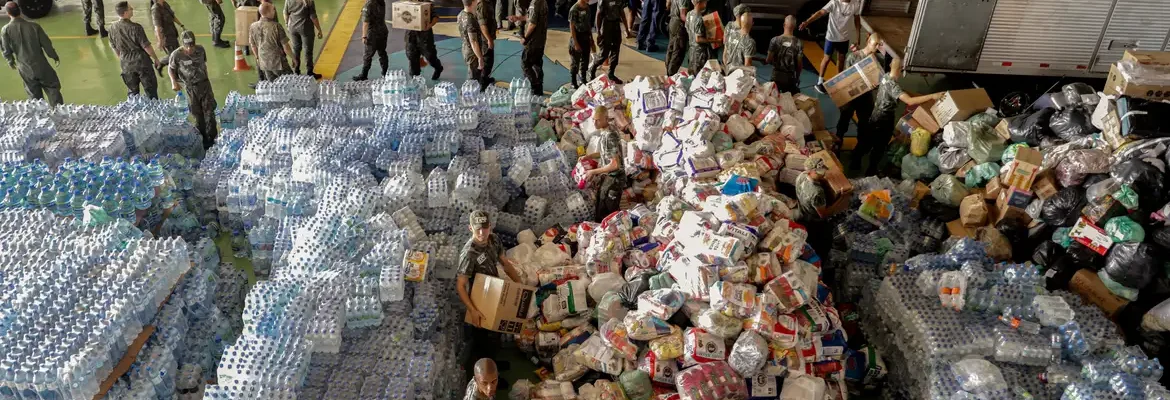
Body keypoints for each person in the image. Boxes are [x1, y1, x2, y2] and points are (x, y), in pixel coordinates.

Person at [852, 58, 941, 175]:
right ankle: (871, 170)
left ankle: (854, 162)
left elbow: (897, 91)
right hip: (884, 119)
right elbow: (909, 101)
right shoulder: (894, 86)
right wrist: (932, 96)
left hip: (875, 115)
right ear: (901, 69)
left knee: (866, 140)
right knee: (880, 146)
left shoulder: (885, 77)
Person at [2, 2, 63, 106]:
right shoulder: (34, 26)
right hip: (41, 65)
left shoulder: (5, 30)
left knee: (34, 95)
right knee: (52, 88)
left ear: (8, 13)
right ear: (20, 11)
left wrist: (10, 61)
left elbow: (6, 50)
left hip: (24, 68)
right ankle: (59, 113)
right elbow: (47, 45)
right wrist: (54, 56)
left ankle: (41, 116)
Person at [168, 31, 218, 149]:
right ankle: (203, 140)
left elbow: (203, 63)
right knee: (197, 115)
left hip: (205, 85)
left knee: (209, 112)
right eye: (187, 46)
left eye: (192, 45)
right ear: (182, 44)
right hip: (191, 88)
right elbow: (171, 69)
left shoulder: (200, 50)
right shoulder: (176, 55)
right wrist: (173, 82)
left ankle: (213, 138)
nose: (190, 48)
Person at [798, 0, 861, 94]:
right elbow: (820, 12)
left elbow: (857, 20)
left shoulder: (855, 4)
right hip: (831, 37)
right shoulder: (834, 3)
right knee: (826, 59)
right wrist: (807, 22)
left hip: (844, 38)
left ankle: (839, 80)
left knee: (841, 59)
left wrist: (858, 37)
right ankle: (819, 82)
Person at [109, 2, 161, 99]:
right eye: (130, 9)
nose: (132, 9)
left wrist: (123, 58)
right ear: (125, 13)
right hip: (142, 63)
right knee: (151, 92)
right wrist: (156, 59)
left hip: (126, 64)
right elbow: (146, 46)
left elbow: (114, 48)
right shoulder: (136, 27)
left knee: (132, 93)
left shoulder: (112, 28)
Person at [836, 33, 883, 141]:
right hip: (851, 95)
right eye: (875, 44)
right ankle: (838, 142)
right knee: (844, 120)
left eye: (879, 45)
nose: (877, 47)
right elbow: (845, 78)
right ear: (868, 41)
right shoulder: (853, 57)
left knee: (865, 124)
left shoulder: (878, 60)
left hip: (866, 97)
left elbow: (879, 80)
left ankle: (859, 149)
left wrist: (876, 85)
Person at [582, 106, 625, 221]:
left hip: (615, 178)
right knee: (600, 204)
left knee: (607, 213)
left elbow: (614, 164)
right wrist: (588, 156)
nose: (595, 123)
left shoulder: (610, 135)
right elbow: (604, 152)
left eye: (598, 120)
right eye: (594, 120)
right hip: (609, 176)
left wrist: (593, 171)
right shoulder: (605, 131)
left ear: (606, 118)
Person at [507, 0, 547, 95]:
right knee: (537, 63)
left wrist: (525, 37)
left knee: (525, 63)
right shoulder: (542, 2)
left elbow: (532, 24)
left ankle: (533, 86)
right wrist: (518, 18)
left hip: (533, 40)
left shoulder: (535, 3)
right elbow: (531, 17)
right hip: (541, 39)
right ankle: (539, 88)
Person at [250, 2, 294, 81]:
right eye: (273, 10)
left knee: (273, 87)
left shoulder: (253, 26)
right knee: (290, 82)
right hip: (278, 63)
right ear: (268, 12)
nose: (274, 11)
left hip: (264, 63)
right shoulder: (276, 26)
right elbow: (286, 47)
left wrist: (257, 58)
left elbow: (253, 46)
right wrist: (294, 58)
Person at [589, 0, 627, 83]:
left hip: (616, 25)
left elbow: (622, 13)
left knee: (615, 52)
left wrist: (626, 29)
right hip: (606, 25)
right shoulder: (603, 1)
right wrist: (598, 32)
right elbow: (598, 15)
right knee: (604, 54)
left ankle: (611, 73)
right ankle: (593, 69)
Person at [405, 0, 444, 80]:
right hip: (411, 36)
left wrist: (430, 25)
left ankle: (438, 68)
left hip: (425, 36)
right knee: (412, 57)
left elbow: (435, 17)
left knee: (430, 57)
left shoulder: (428, 4)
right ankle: (416, 79)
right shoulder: (408, 4)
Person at [285, 0, 323, 79]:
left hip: (293, 28)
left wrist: (287, 24)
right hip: (306, 28)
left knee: (296, 49)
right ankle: (309, 72)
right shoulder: (309, 1)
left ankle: (296, 71)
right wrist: (319, 29)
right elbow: (313, 17)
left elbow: (286, 13)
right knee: (308, 50)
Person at [766, 15, 803, 94]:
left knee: (774, 101)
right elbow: (799, 65)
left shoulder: (774, 40)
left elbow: (768, 60)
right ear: (794, 26)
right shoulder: (798, 43)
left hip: (776, 77)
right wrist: (797, 78)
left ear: (784, 25)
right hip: (790, 78)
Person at [459, 0, 490, 90]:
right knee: (473, 77)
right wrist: (480, 57)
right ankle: (470, 96)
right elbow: (473, 41)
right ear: (472, 2)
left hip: (465, 48)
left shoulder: (461, 14)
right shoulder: (470, 19)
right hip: (473, 52)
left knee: (474, 74)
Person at [354, 0, 388, 81]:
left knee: (367, 56)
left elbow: (366, 23)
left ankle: (364, 74)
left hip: (373, 34)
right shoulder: (381, 2)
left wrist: (364, 36)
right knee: (382, 53)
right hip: (383, 31)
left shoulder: (368, 5)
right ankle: (385, 73)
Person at [151, 0, 184, 76]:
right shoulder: (155, 9)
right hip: (166, 37)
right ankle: (174, 74)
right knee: (174, 55)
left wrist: (181, 25)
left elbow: (172, 16)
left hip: (172, 33)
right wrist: (160, 40)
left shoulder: (165, 4)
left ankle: (161, 64)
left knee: (175, 54)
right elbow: (157, 27)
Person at [567, 0, 592, 87]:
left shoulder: (587, 7)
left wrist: (591, 40)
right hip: (577, 37)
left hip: (586, 36)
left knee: (585, 60)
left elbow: (588, 24)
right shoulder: (574, 9)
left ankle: (583, 79)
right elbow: (572, 27)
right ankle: (573, 82)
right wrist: (575, 43)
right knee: (575, 61)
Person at [684, 0, 713, 74]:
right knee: (699, 76)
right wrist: (712, 40)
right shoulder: (699, 18)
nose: (706, 3)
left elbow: (688, 30)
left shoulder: (689, 14)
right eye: (705, 1)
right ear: (699, 2)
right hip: (700, 53)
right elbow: (698, 39)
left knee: (691, 74)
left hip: (691, 50)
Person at [474, 0, 497, 83]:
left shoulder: (488, 2)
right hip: (484, 39)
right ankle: (483, 81)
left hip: (487, 37)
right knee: (487, 60)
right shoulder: (482, 4)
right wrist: (489, 39)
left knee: (489, 60)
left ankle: (485, 78)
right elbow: (482, 25)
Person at [663, 0, 686, 75]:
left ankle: (668, 69)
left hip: (672, 21)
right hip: (679, 24)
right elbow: (683, 16)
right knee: (678, 50)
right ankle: (671, 73)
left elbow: (668, 4)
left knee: (671, 47)